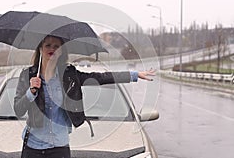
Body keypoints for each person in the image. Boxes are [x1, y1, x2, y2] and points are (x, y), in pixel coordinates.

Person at [14, 35, 155, 158]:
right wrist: (31, 91)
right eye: (48, 45)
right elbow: (18, 110)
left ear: (62, 50)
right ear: (40, 49)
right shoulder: (28, 75)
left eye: (57, 46)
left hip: (59, 146)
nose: (52, 49)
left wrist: (133, 75)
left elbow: (100, 77)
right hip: (33, 146)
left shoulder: (69, 75)